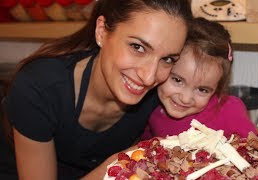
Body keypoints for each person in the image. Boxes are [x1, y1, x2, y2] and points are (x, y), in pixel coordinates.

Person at [0, 0, 192, 179]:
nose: (149, 77)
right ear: (101, 32)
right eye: (138, 47)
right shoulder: (40, 86)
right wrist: (119, 164)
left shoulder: (161, 94)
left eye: (167, 59)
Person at [141, 18, 258, 140]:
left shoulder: (229, 110)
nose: (185, 99)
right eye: (177, 80)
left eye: (202, 90)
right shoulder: (150, 109)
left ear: (217, 88)